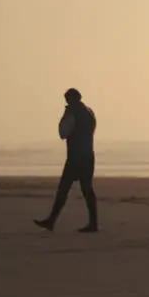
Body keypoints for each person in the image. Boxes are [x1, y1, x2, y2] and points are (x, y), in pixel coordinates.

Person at [34, 88, 99, 233]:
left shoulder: (72, 113)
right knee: (87, 189)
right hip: (88, 154)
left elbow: (63, 133)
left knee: (64, 189)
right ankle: (93, 222)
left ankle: (52, 220)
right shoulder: (89, 112)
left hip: (75, 156)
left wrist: (65, 115)